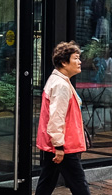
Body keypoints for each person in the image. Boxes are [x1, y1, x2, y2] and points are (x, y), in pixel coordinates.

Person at [34, 41, 90, 195]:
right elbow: (56, 117)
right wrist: (59, 146)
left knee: (47, 182)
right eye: (76, 58)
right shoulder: (61, 85)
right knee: (80, 185)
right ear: (64, 62)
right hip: (65, 144)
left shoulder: (59, 81)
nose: (79, 62)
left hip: (59, 143)